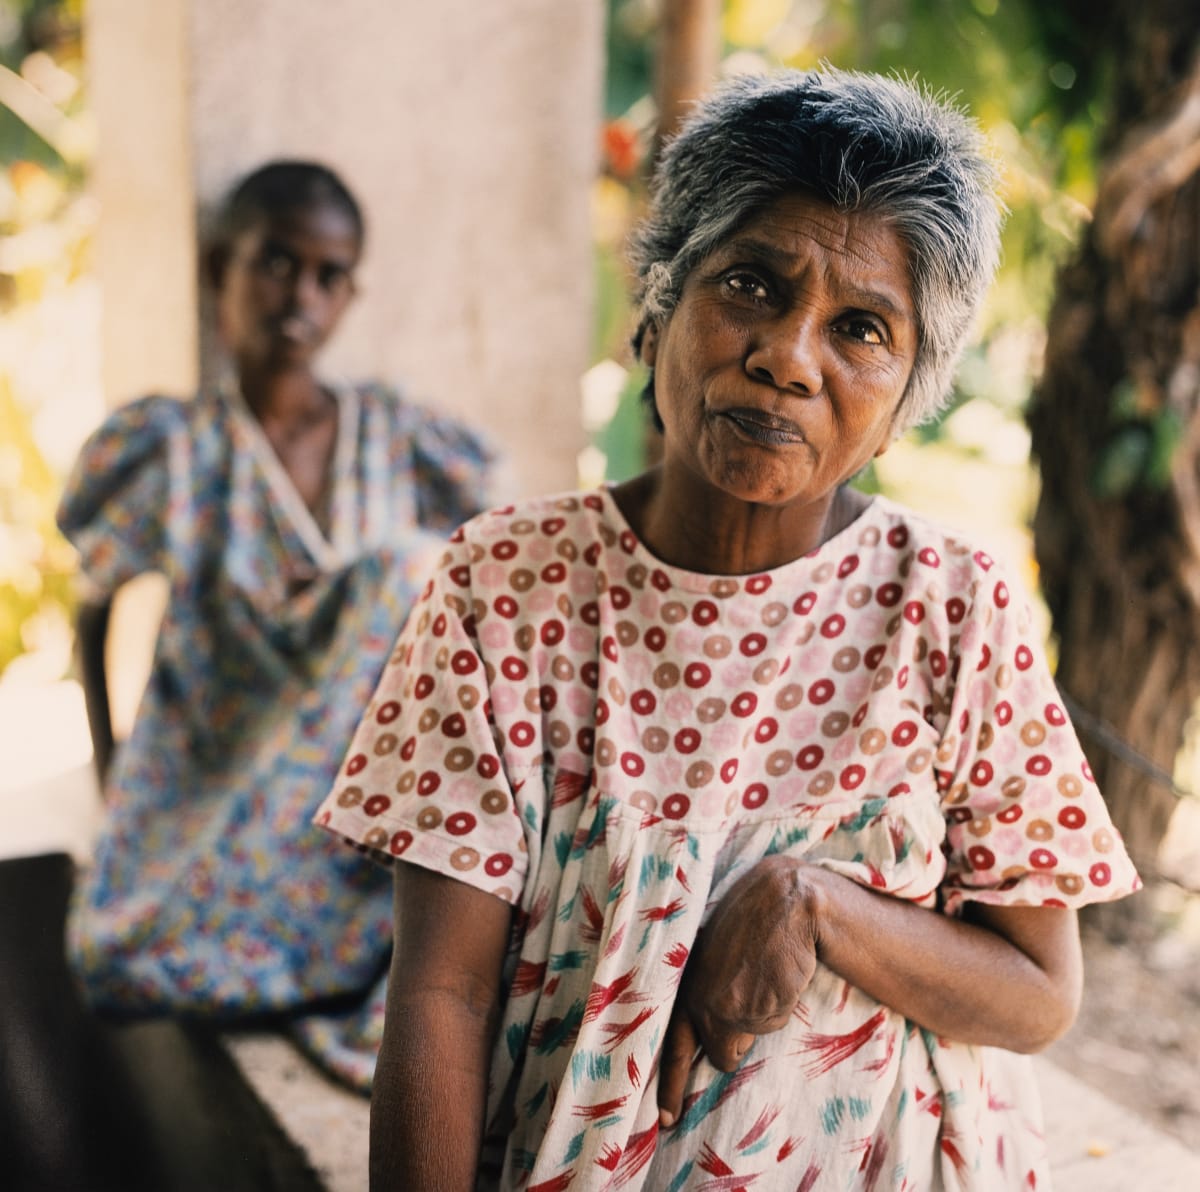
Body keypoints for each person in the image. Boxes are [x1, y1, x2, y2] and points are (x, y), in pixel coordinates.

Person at [316, 69, 1140, 1188]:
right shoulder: (506, 583)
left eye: (859, 328)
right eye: (751, 283)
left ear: (905, 401)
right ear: (657, 305)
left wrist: (822, 908)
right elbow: (441, 990)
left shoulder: (949, 604)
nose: (790, 357)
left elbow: (1040, 994)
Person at [57, 159, 497, 1092]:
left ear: (350, 294)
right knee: (116, 951)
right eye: (274, 263)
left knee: (407, 569)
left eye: (328, 275)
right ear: (222, 267)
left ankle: (346, 941)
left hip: (360, 819)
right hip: (221, 783)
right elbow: (95, 612)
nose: (299, 296)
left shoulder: (396, 435)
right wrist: (112, 782)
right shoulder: (174, 447)